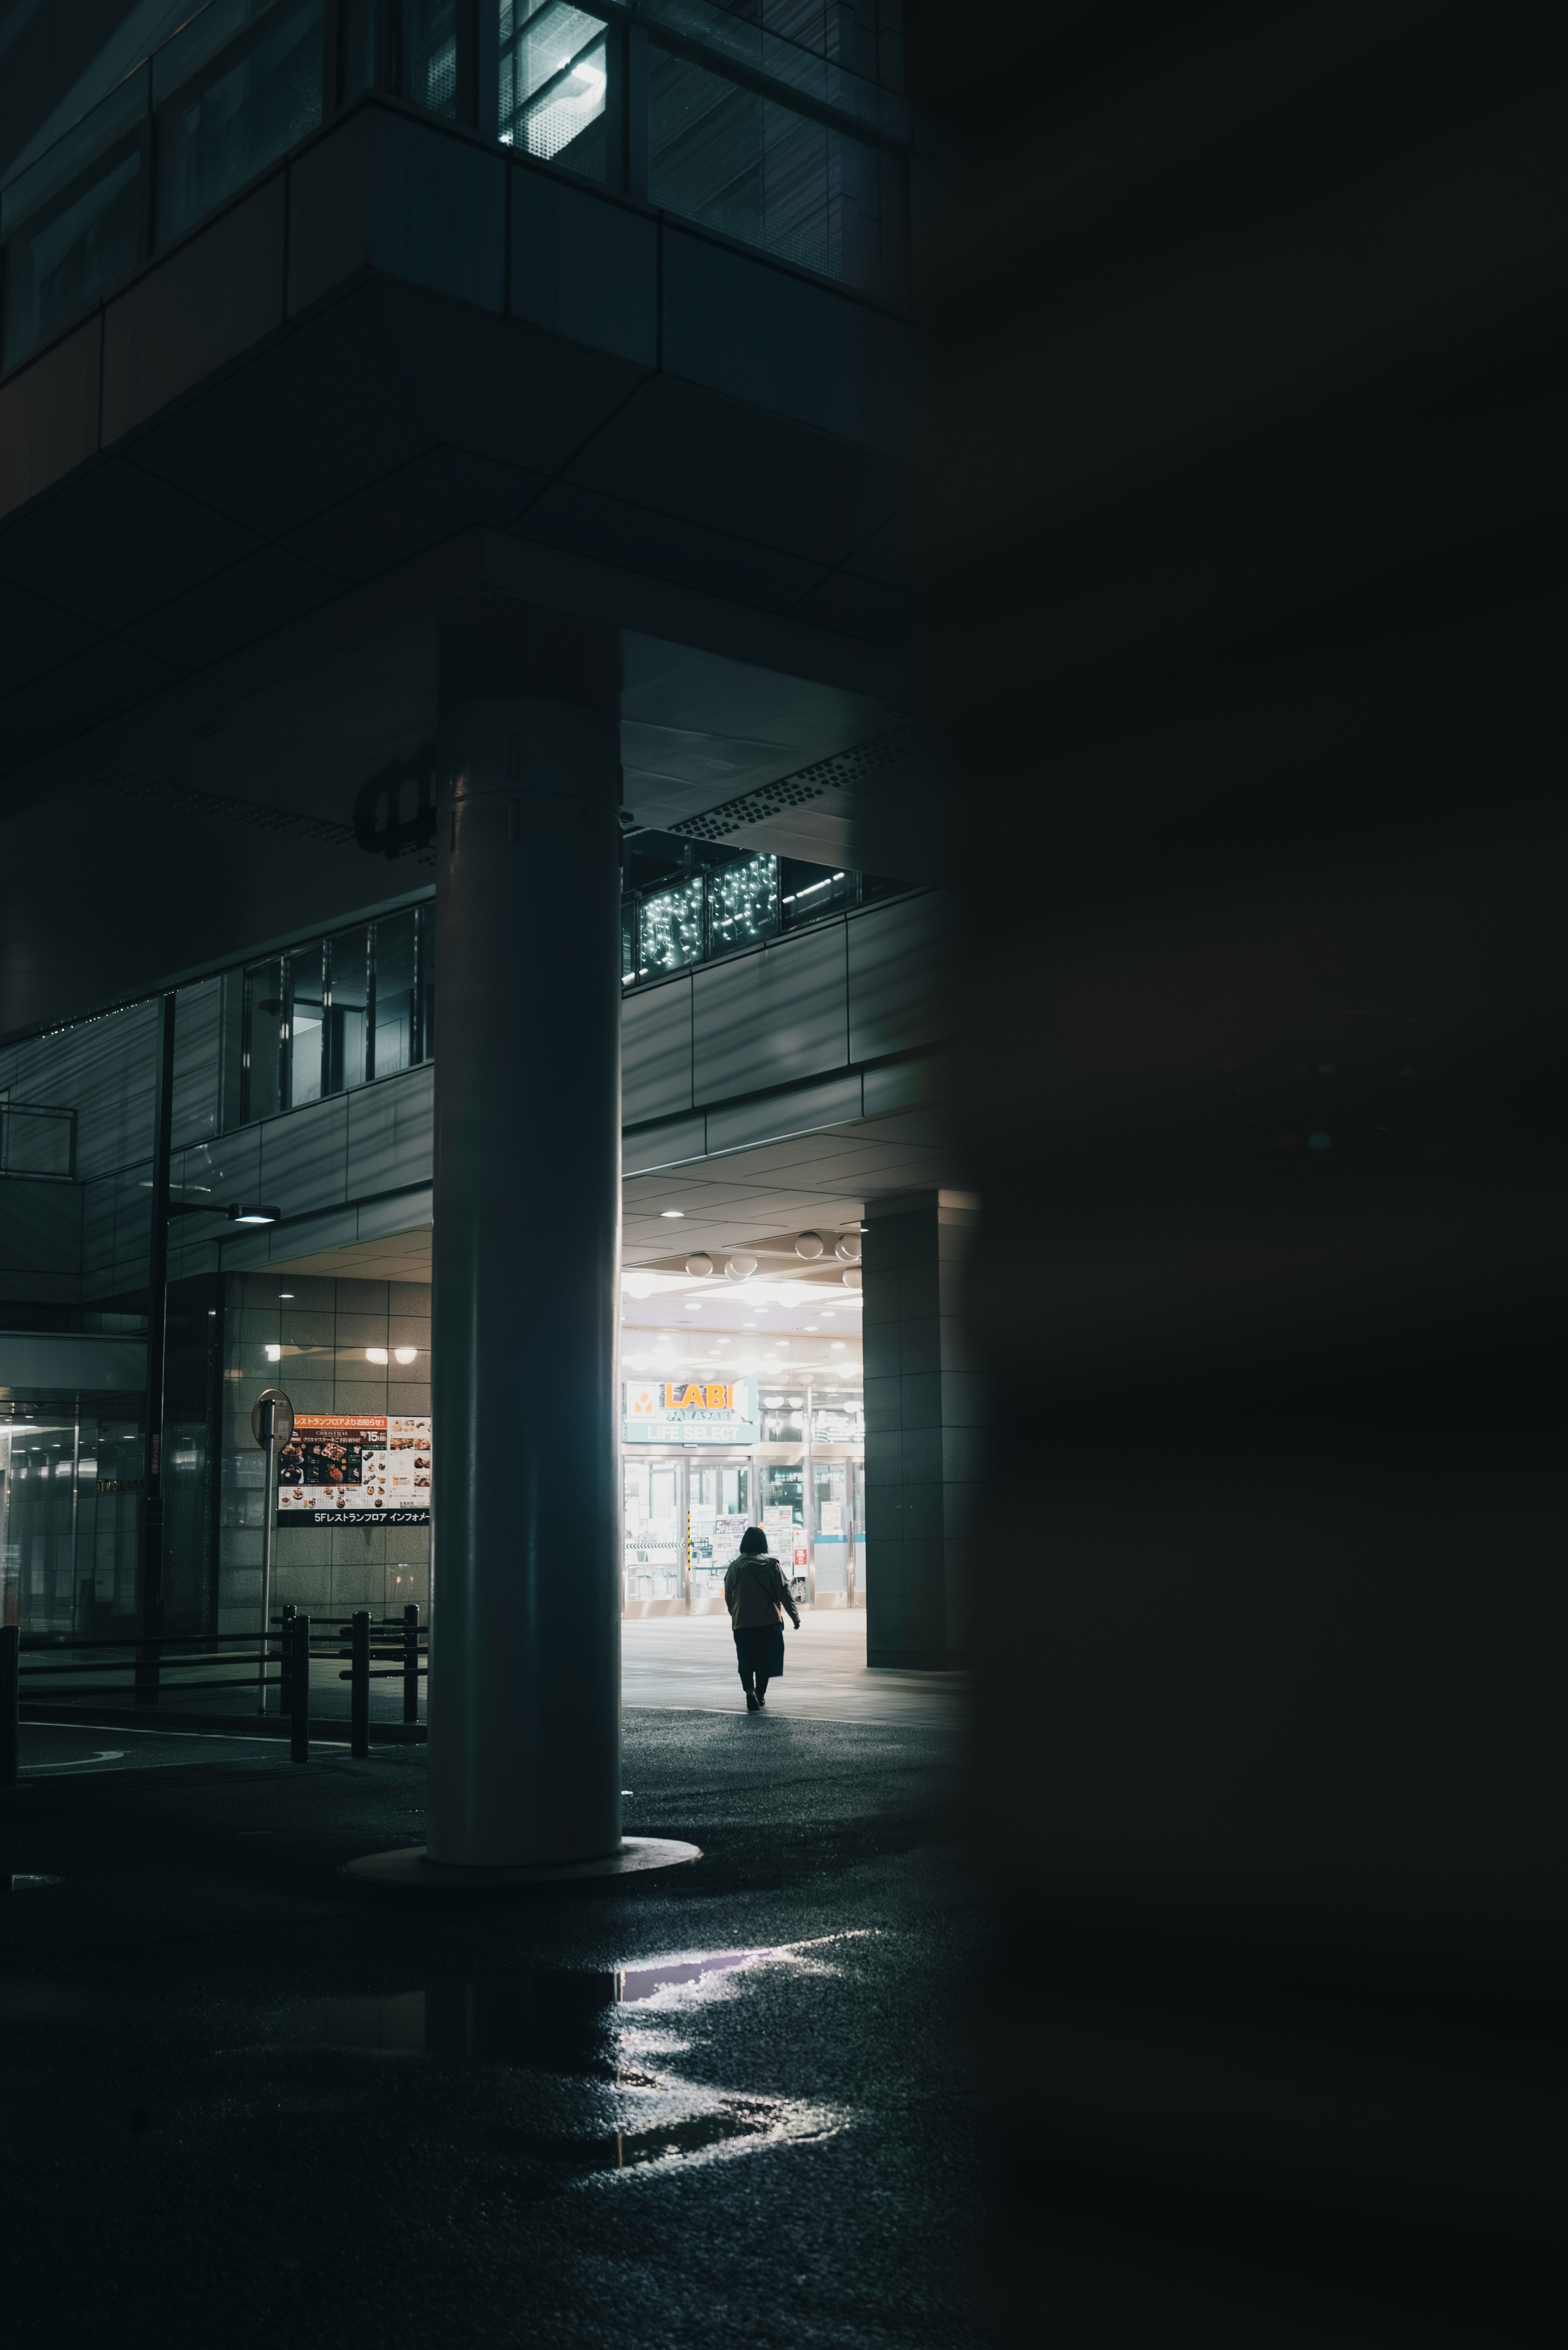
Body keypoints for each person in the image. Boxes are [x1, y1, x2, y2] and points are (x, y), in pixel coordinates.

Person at [724, 1525, 800, 1711]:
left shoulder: (735, 1567)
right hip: (768, 1622)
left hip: (743, 1624)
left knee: (746, 1659)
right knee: (765, 1660)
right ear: (763, 1543)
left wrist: (735, 1614)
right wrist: (794, 1616)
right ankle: (761, 1693)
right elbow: (784, 1593)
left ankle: (749, 1690)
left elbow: (729, 1595)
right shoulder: (772, 1565)